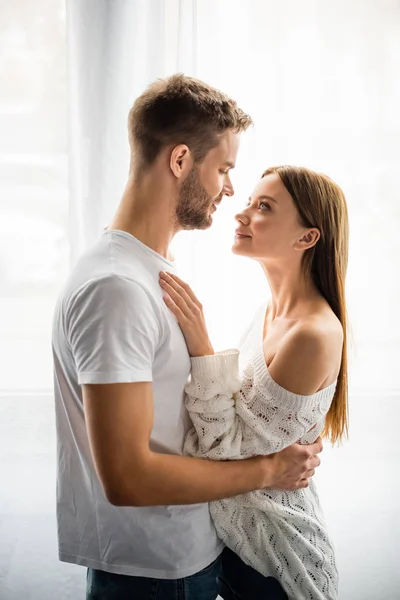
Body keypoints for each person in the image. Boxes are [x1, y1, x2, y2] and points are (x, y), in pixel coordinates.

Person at [52, 75, 324, 600]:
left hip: (185, 558)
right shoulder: (117, 288)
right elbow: (128, 476)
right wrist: (268, 469)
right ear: (180, 160)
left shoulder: (148, 270)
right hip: (154, 572)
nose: (229, 189)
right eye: (223, 168)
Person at [159, 165, 349, 600]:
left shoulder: (310, 335)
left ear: (307, 237)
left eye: (263, 206)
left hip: (277, 567)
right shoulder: (270, 312)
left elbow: (226, 453)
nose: (241, 215)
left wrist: (202, 349)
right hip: (236, 554)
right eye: (248, 202)